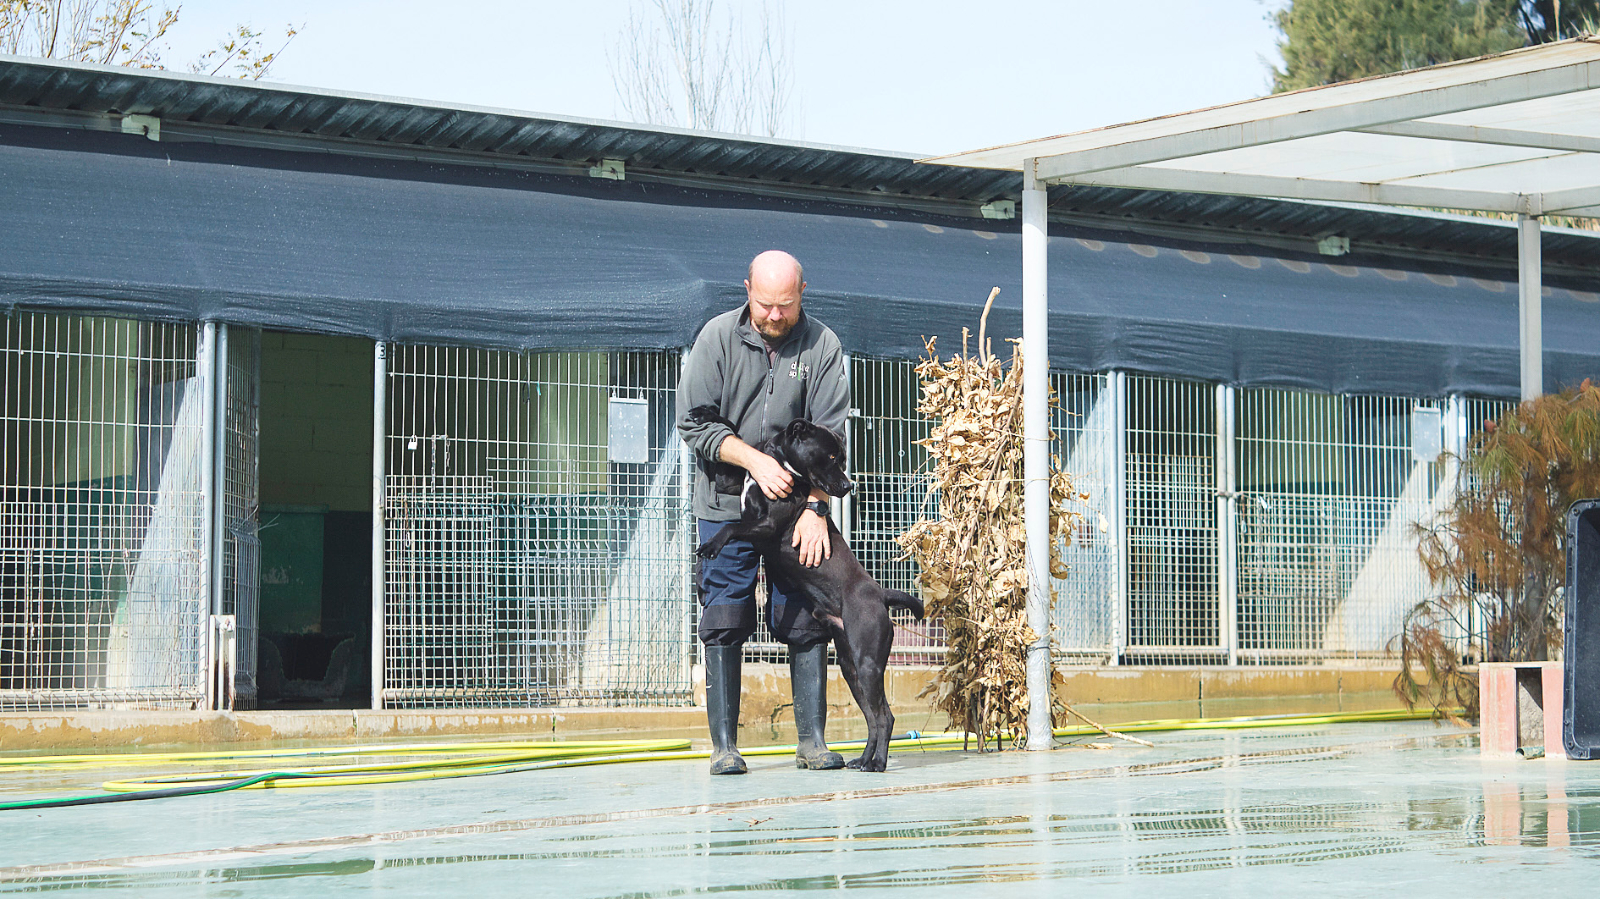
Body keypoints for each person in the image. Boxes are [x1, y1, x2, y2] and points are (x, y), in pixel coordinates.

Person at [677, 249, 850, 775]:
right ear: (747, 289)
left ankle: (812, 742)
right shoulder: (716, 338)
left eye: (786, 305)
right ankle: (725, 747)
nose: (775, 315)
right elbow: (694, 422)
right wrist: (753, 460)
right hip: (726, 504)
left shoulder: (822, 345)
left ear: (802, 294)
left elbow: (831, 436)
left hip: (796, 512)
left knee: (806, 614)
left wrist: (816, 508)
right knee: (724, 614)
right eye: (766, 303)